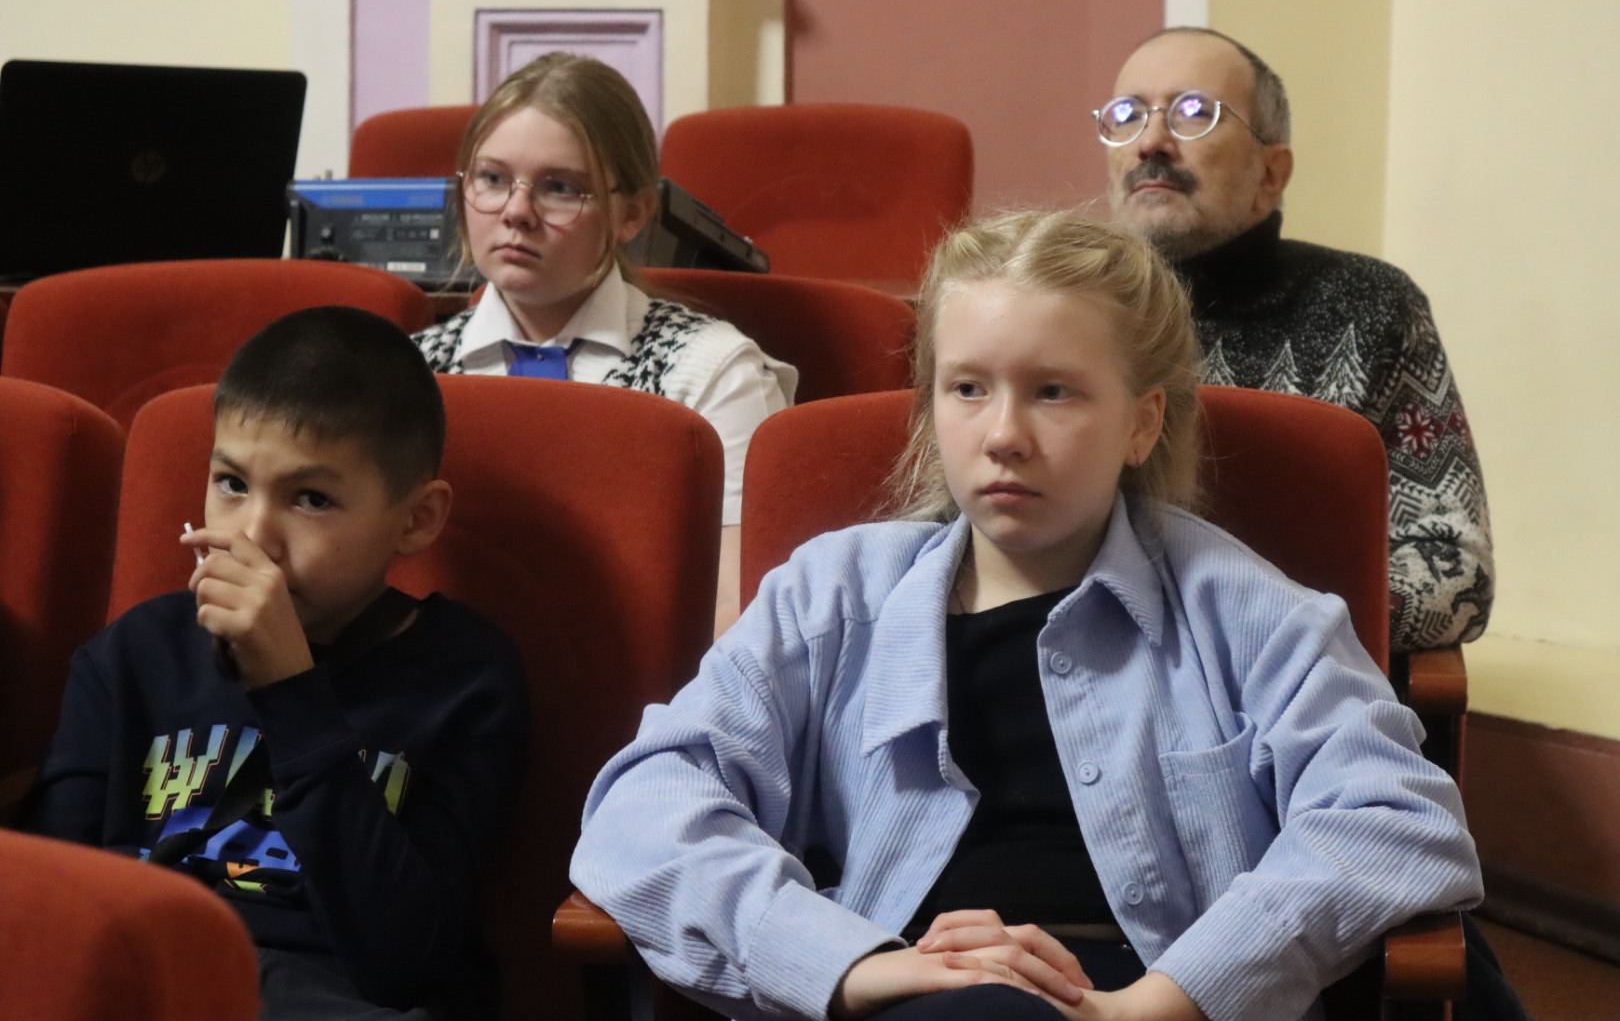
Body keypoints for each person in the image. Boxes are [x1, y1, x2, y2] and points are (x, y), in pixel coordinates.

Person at [570, 211, 1491, 1021]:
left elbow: (1395, 816)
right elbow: (647, 806)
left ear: (1141, 423)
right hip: (909, 988)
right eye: (968, 389)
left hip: (1145, 990)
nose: (1003, 435)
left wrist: (1162, 1002)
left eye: (1053, 392)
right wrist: (848, 963)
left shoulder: (1244, 611)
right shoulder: (833, 594)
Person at [27, 307, 529, 1020]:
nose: (254, 536)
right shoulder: (133, 654)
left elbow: (407, 961)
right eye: (231, 484)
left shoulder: (465, 678)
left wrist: (293, 692)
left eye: (312, 499)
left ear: (416, 520)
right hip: (149, 980)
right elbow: (52, 909)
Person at [1096, 27, 1492, 653]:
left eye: (1193, 111)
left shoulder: (1371, 306)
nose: (1151, 141)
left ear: (1270, 171)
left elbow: (1457, 572)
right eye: (1127, 114)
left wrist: (1256, 618)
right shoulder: (1066, 314)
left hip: (1301, 678)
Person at [413, 51, 796, 635]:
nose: (516, 211)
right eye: (491, 179)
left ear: (632, 214)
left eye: (559, 188)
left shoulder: (709, 369)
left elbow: (742, 606)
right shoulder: (409, 370)